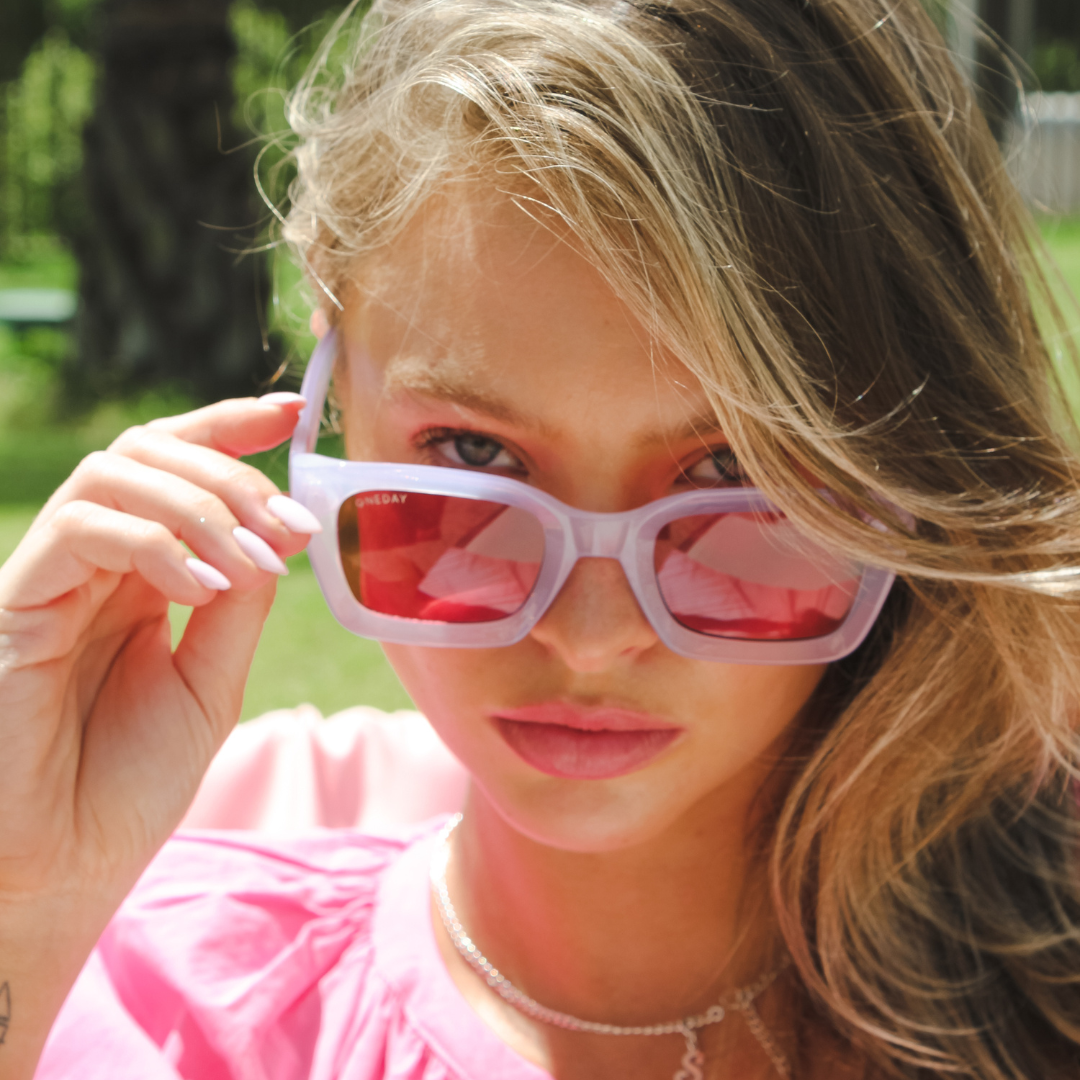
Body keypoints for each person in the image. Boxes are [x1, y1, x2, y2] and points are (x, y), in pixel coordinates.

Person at [2, 0, 1079, 1076]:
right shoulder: (149, 1005)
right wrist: (28, 905)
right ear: (334, 388)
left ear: (913, 461)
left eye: (734, 473)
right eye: (473, 456)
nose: (592, 637)